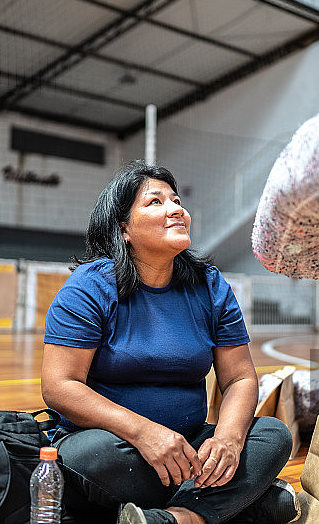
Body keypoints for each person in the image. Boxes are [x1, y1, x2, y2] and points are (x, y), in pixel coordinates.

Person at [41, 160, 297, 524]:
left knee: (272, 435)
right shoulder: (89, 286)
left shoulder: (210, 286)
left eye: (176, 200)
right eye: (155, 202)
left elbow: (240, 378)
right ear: (123, 228)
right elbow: (59, 387)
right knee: (89, 457)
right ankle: (242, 504)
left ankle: (178, 518)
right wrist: (144, 432)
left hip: (189, 442)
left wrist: (226, 440)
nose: (176, 209)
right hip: (113, 445)